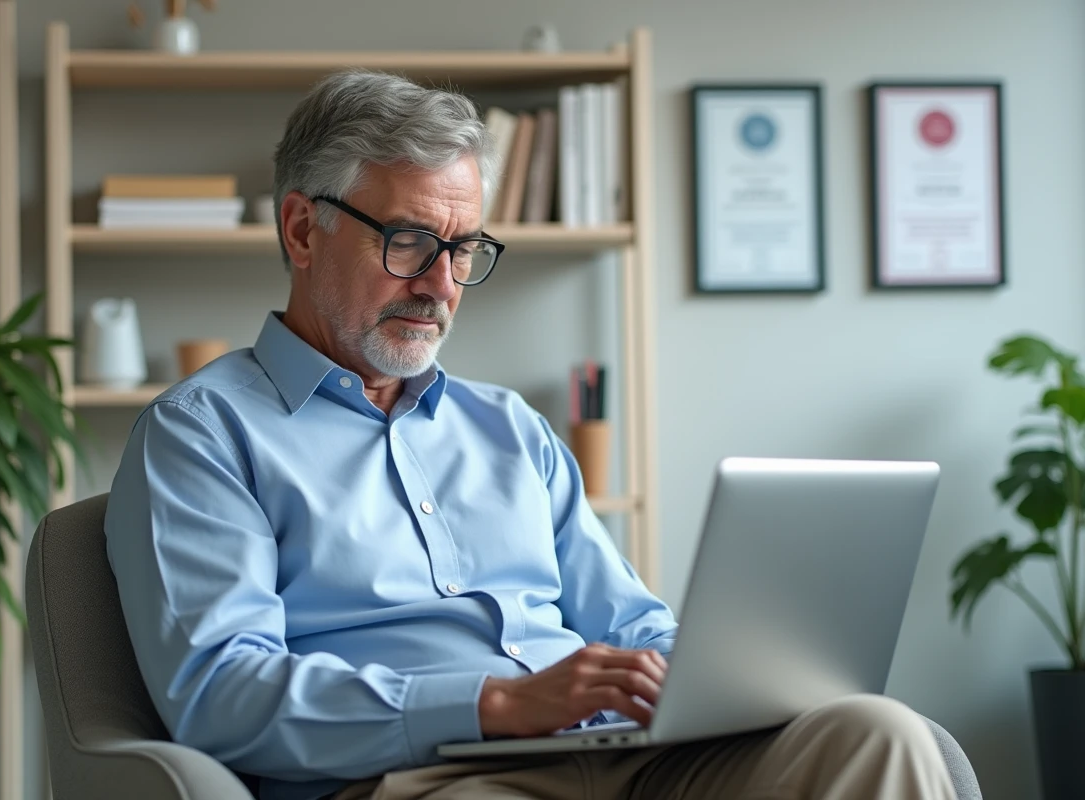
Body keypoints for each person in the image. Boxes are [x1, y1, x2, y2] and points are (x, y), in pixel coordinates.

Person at [104, 69, 957, 800]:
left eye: (464, 247)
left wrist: (708, 680)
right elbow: (223, 694)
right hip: (432, 779)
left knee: (878, 735)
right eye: (409, 242)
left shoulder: (511, 428)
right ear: (301, 228)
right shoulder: (202, 435)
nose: (441, 284)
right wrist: (495, 703)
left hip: (620, 756)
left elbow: (629, 623)